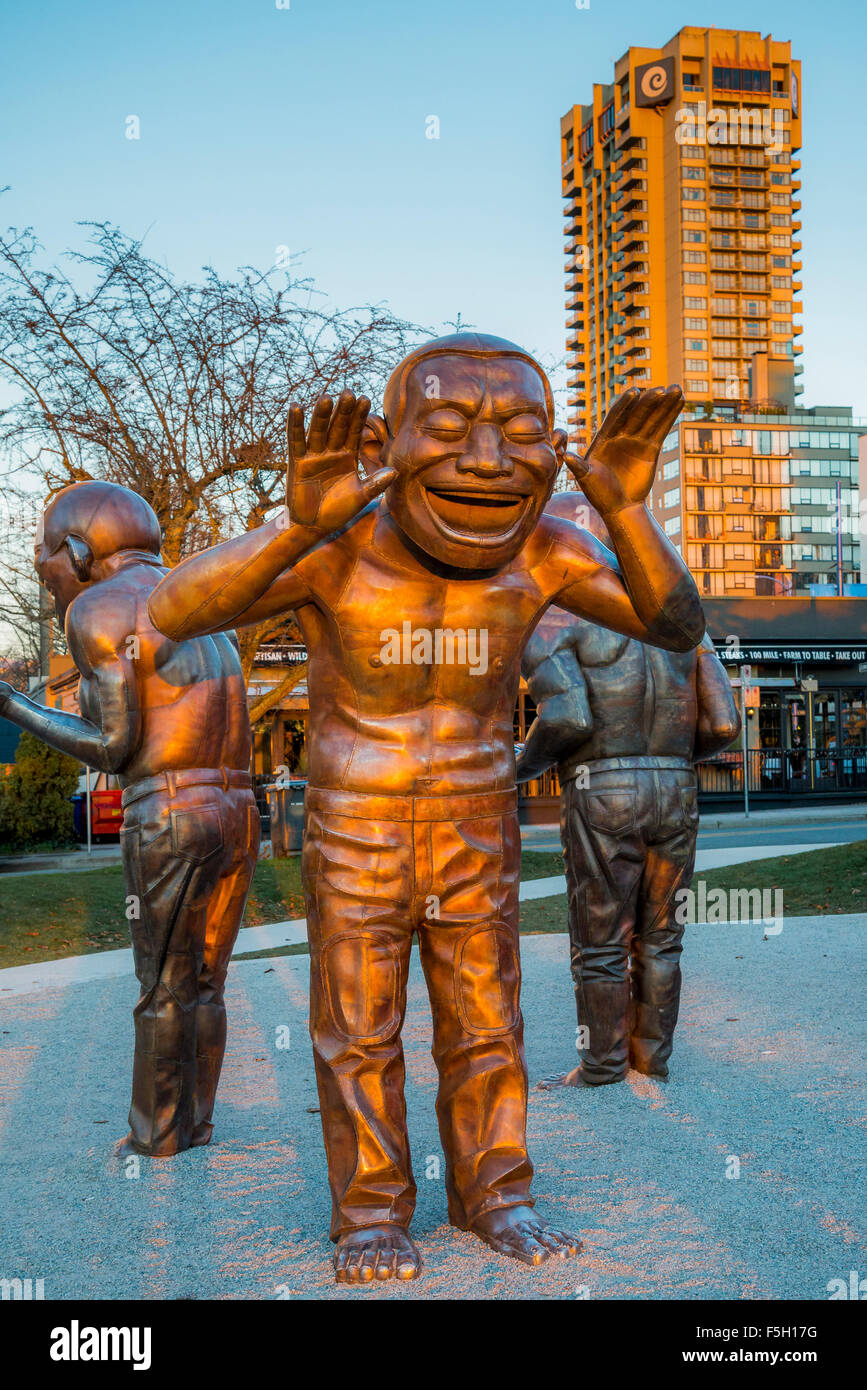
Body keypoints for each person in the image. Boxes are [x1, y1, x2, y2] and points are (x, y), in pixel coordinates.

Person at [148, 332, 705, 1282]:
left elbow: (674, 623)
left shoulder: (545, 547)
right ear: (384, 441)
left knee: (487, 1023)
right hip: (357, 821)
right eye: (446, 428)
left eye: (523, 432)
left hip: (475, 820)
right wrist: (296, 527)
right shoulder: (335, 548)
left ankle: (498, 1194)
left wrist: (622, 505)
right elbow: (174, 609)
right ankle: (369, 1213)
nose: (487, 460)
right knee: (358, 1029)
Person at [0, 482, 259, 1156]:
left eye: (46, 563)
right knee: (207, 981)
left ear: (79, 552)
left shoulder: (101, 608)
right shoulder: (202, 602)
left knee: (163, 987)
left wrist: (14, 706)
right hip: (238, 810)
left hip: (169, 812)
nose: (49, 581)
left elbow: (113, 746)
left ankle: (156, 1136)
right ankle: (195, 1121)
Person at [517, 492, 740, 1086]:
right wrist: (666, 762)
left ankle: (603, 1064)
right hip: (678, 787)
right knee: (663, 937)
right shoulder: (679, 621)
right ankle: (652, 1059)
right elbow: (723, 724)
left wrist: (518, 768)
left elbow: (567, 719)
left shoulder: (556, 618)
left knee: (600, 940)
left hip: (602, 785)